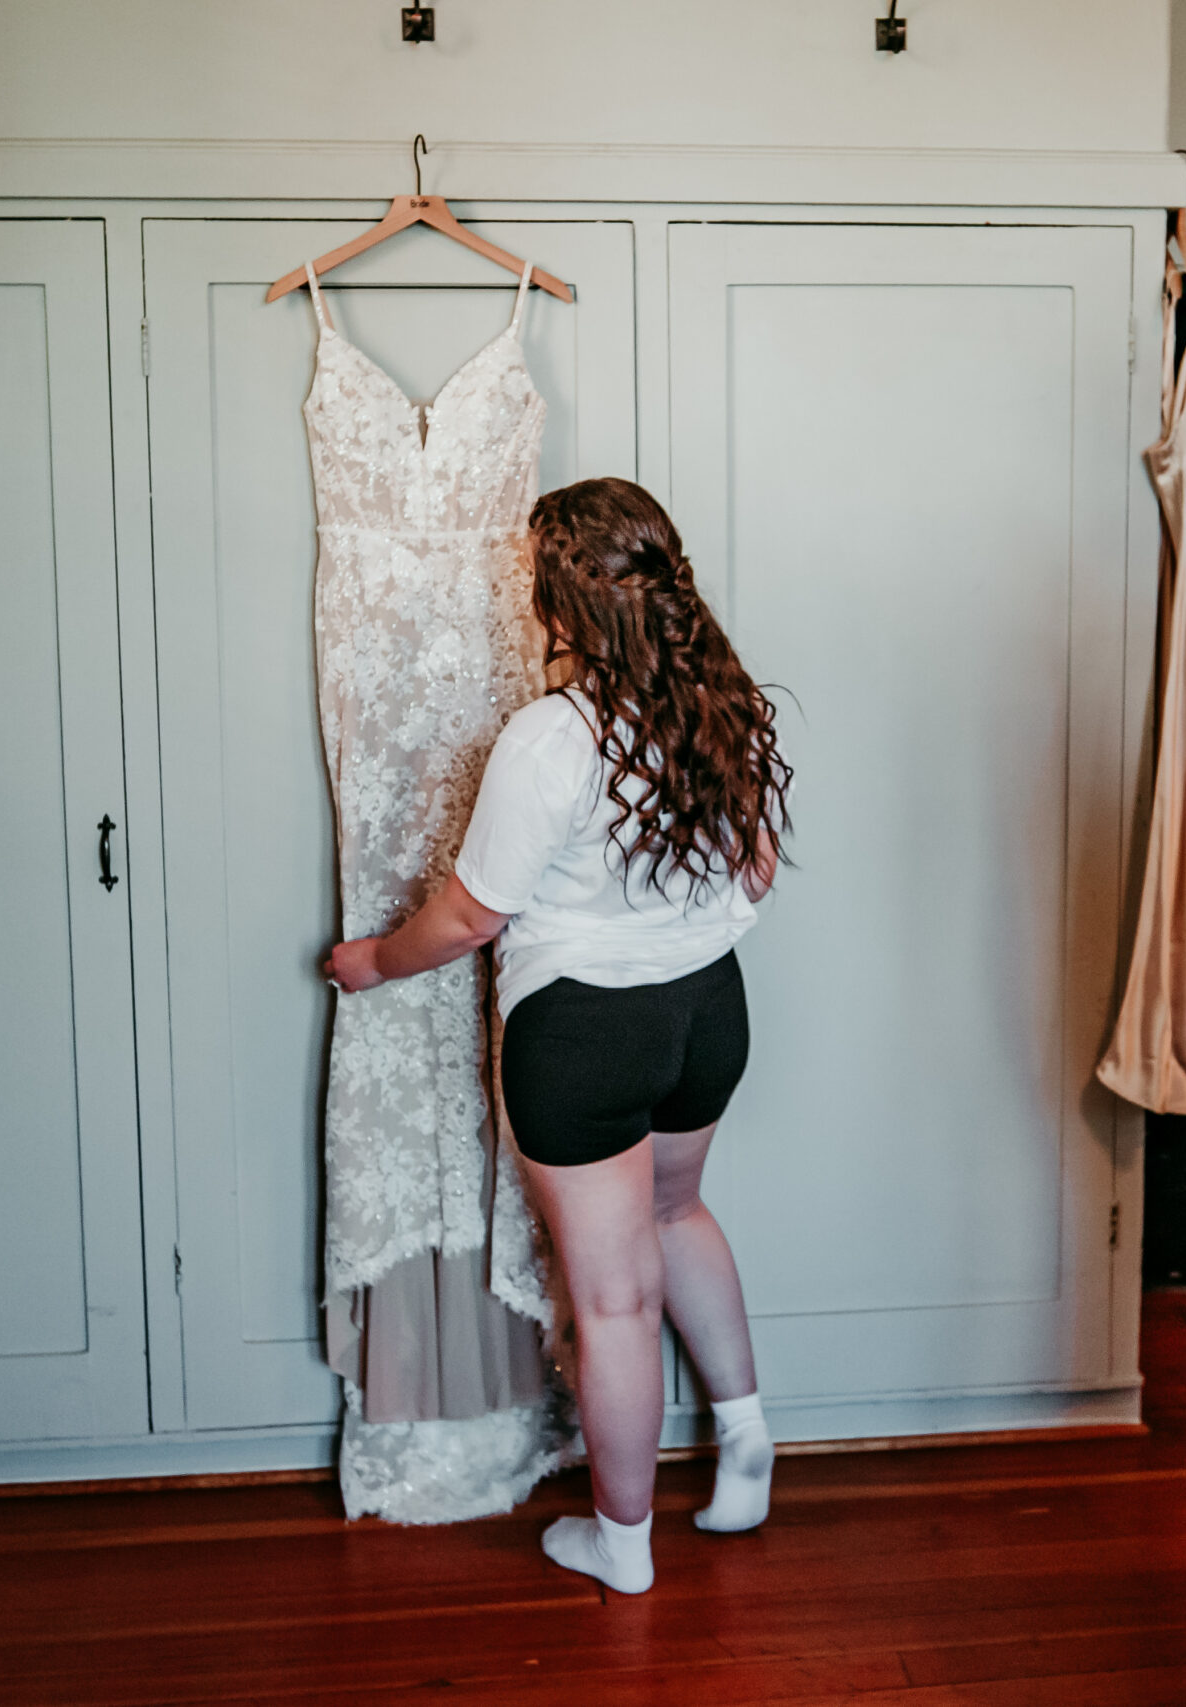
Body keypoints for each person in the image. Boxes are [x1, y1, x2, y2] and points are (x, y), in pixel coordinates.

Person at [326, 477, 789, 1594]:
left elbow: (470, 916)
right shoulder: (724, 699)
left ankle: (621, 1544)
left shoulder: (550, 737)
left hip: (586, 1034)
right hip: (707, 1011)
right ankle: (746, 1437)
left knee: (615, 1300)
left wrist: (371, 961)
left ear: (557, 600)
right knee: (678, 1212)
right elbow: (758, 870)